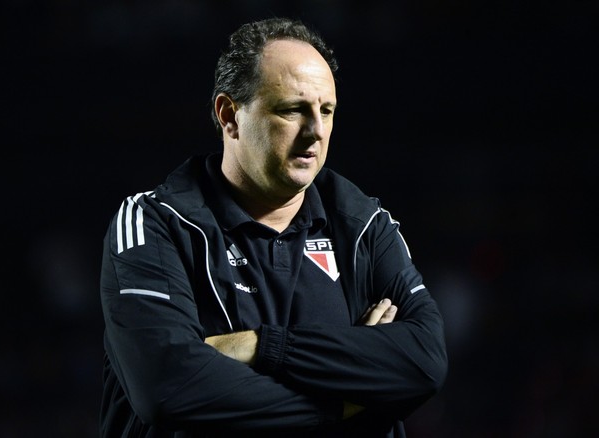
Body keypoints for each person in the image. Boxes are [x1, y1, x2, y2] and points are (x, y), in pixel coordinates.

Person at [99, 17, 447, 437]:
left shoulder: (363, 226)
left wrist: (261, 347)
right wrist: (344, 401)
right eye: (292, 109)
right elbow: (169, 388)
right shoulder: (155, 224)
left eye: (327, 110)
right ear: (229, 116)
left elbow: (424, 361)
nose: (315, 131)